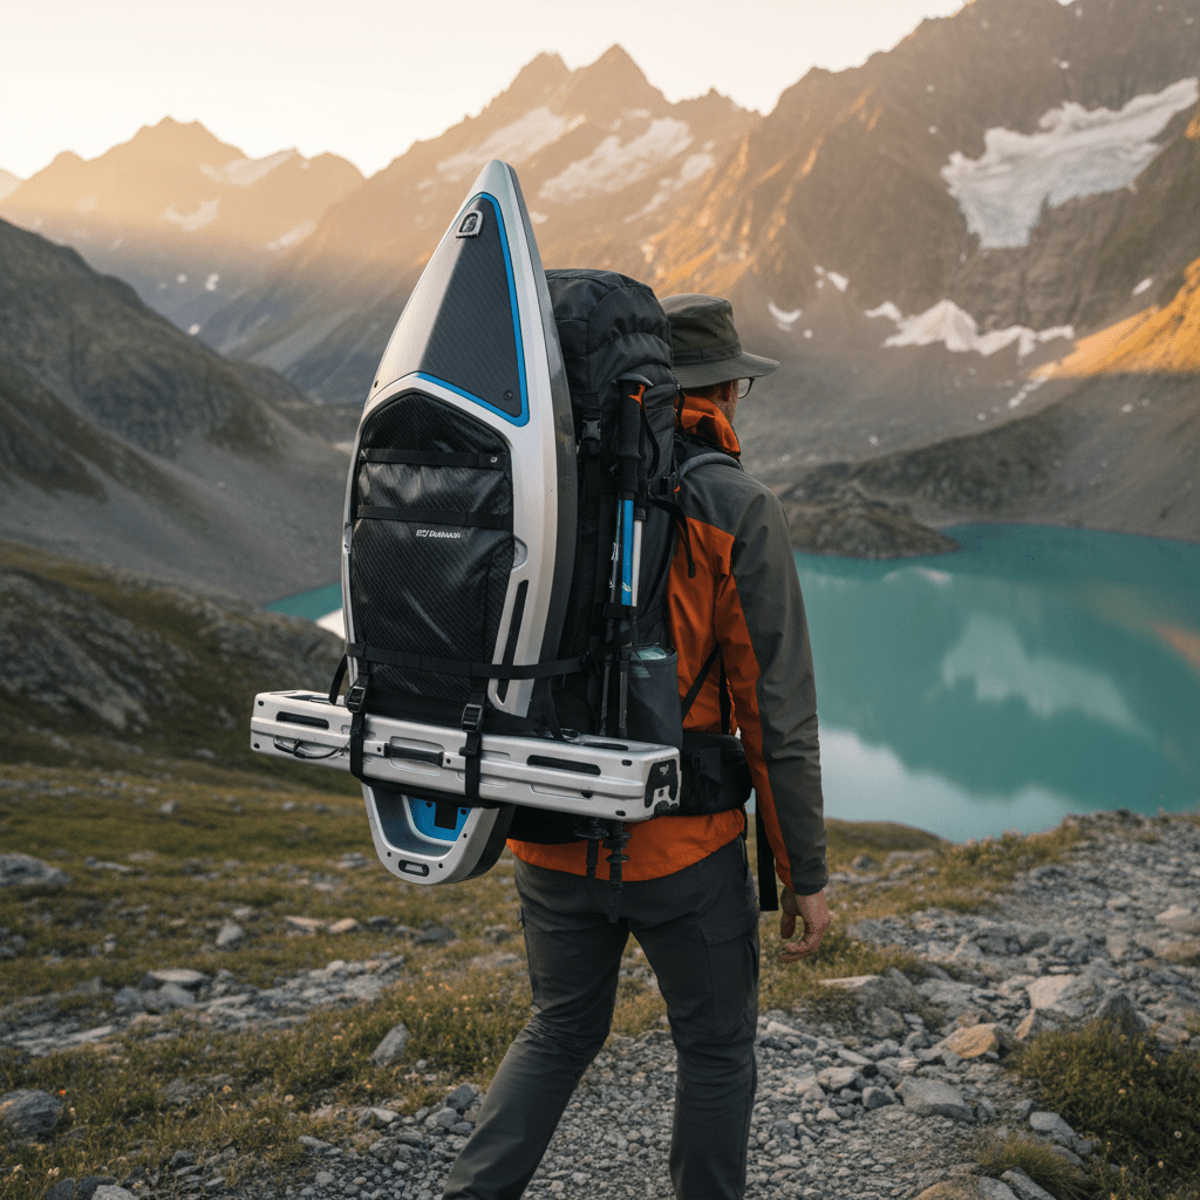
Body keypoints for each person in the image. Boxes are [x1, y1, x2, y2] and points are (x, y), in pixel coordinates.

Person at [442, 293, 830, 1200]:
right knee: (716, 1049)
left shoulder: (548, 490)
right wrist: (802, 871)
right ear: (722, 392)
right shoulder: (734, 505)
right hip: (682, 849)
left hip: (547, 825)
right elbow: (776, 711)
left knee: (559, 1030)